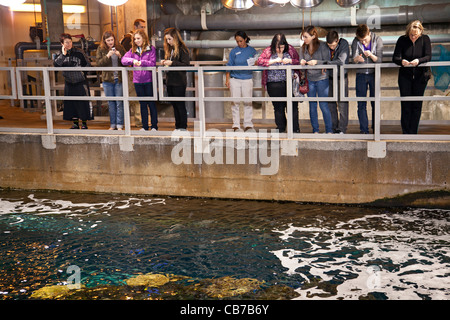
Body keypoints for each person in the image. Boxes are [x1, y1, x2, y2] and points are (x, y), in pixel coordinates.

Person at [392, 20, 432, 134]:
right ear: (408, 32)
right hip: (405, 76)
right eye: (411, 35)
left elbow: (428, 56)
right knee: (406, 104)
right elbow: (395, 57)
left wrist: (418, 61)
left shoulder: (425, 39)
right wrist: (402, 61)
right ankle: (405, 131)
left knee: (416, 105)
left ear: (420, 32)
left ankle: (413, 131)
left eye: (415, 35)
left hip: (420, 76)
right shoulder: (402, 40)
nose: (413, 37)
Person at [257, 33, 300, 133]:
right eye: (277, 47)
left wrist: (289, 61)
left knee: (292, 107)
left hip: (289, 83)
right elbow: (260, 61)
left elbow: (297, 61)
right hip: (273, 84)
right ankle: (280, 127)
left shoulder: (291, 50)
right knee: (278, 107)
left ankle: (295, 129)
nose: (279, 50)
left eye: (281, 47)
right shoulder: (268, 51)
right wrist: (272, 61)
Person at [53, 33, 92, 129]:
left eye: (70, 42)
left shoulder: (79, 52)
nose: (68, 44)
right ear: (62, 44)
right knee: (71, 103)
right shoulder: (59, 54)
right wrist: (63, 54)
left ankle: (84, 123)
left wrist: (83, 73)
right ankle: (75, 123)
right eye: (66, 42)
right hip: (69, 82)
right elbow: (56, 66)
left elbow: (88, 64)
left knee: (83, 103)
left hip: (80, 81)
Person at [121, 29, 158, 131]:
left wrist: (142, 62)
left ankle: (154, 126)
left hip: (149, 80)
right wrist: (133, 60)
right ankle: (144, 126)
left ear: (144, 38)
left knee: (151, 103)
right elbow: (123, 60)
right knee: (142, 104)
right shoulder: (133, 50)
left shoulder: (151, 49)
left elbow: (152, 63)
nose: (136, 41)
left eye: (138, 38)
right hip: (137, 81)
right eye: (135, 39)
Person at [300, 26, 332, 134]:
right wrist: (302, 62)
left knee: (323, 105)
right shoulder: (303, 47)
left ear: (313, 36)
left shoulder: (322, 45)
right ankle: (316, 130)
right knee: (312, 106)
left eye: (305, 37)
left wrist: (316, 62)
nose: (304, 39)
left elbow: (327, 61)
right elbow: (301, 60)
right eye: (303, 37)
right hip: (310, 79)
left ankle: (329, 130)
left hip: (322, 79)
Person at [351, 24, 383, 134]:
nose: (363, 43)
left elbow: (379, 60)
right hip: (361, 74)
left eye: (365, 40)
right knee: (361, 104)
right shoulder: (356, 41)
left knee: (375, 103)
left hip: (374, 74)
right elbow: (353, 58)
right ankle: (364, 130)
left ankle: (376, 129)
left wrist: (371, 55)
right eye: (361, 40)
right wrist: (357, 59)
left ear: (369, 34)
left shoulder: (378, 40)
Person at [225, 31, 257, 131]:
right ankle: (236, 124)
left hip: (247, 79)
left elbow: (256, 62)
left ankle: (248, 124)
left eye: (241, 41)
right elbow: (229, 65)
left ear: (245, 39)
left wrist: (256, 62)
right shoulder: (234, 51)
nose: (239, 43)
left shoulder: (252, 51)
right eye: (237, 41)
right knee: (235, 102)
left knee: (248, 102)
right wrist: (227, 79)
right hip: (235, 79)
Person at [161, 27, 191, 130]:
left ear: (175, 37)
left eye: (169, 39)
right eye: (167, 40)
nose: (168, 42)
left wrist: (172, 63)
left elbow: (186, 65)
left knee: (180, 105)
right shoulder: (171, 49)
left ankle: (183, 126)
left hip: (179, 82)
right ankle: (178, 126)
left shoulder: (183, 49)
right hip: (170, 81)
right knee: (174, 105)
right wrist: (165, 62)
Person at [96, 30, 127, 130]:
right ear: (104, 41)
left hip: (119, 79)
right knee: (111, 103)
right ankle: (112, 124)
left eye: (112, 40)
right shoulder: (100, 49)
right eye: (108, 40)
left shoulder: (120, 48)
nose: (110, 42)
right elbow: (99, 64)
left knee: (119, 103)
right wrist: (107, 56)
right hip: (107, 80)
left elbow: (126, 61)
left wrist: (120, 56)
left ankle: (119, 125)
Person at [120, 19, 146, 127]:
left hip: (138, 72)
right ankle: (137, 121)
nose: (143, 29)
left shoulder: (139, 39)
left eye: (144, 27)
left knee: (136, 97)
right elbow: (126, 56)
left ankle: (137, 121)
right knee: (133, 97)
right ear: (135, 27)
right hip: (131, 72)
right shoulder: (128, 39)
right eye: (142, 27)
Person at [325, 30, 350, 134]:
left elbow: (341, 61)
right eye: (329, 45)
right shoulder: (325, 46)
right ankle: (334, 127)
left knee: (342, 104)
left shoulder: (344, 43)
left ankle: (342, 129)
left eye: (333, 45)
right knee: (331, 104)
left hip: (341, 77)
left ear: (338, 41)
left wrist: (326, 63)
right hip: (329, 77)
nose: (332, 47)